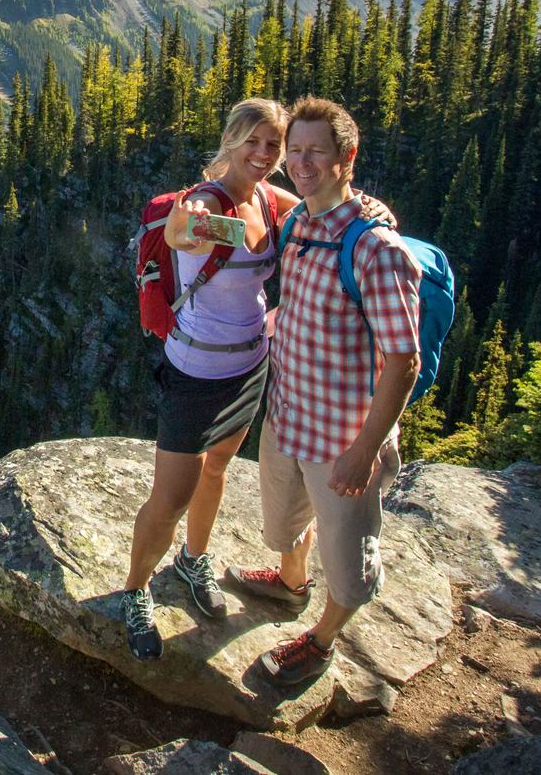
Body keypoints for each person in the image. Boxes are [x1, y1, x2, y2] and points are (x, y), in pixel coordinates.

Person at [225, 95, 422, 686]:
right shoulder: (303, 224)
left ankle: (322, 638)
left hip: (342, 441)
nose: (302, 162)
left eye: (317, 152)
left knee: (348, 557)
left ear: (347, 157)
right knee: (283, 520)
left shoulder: (376, 250)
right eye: (295, 151)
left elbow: (404, 362)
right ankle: (290, 582)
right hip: (287, 417)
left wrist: (365, 450)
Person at [121, 98, 300, 660]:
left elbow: (325, 210)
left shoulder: (273, 201)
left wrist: (368, 210)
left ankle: (193, 560)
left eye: (275, 145)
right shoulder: (204, 202)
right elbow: (180, 231)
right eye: (254, 141)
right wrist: (200, 223)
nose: (264, 154)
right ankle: (134, 590)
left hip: (250, 366)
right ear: (230, 139)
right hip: (195, 371)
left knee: (217, 468)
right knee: (170, 497)